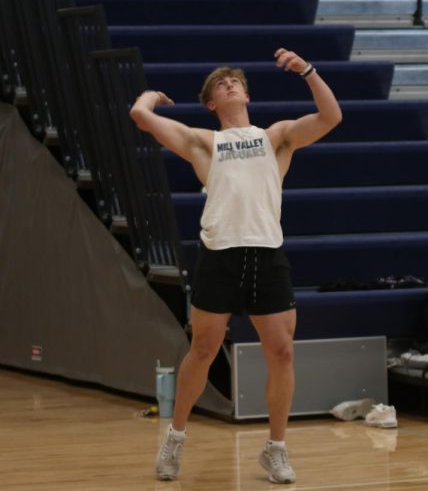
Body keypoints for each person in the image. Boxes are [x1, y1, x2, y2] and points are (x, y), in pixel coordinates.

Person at [129, 48, 342, 484]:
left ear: (246, 95)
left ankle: (275, 449)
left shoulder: (276, 136)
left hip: (267, 254)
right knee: (203, 350)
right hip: (220, 254)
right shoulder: (206, 142)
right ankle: (175, 437)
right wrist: (148, 97)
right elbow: (139, 116)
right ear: (211, 103)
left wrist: (308, 71)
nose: (230, 85)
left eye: (236, 82)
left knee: (281, 352)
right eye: (221, 85)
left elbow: (331, 115)